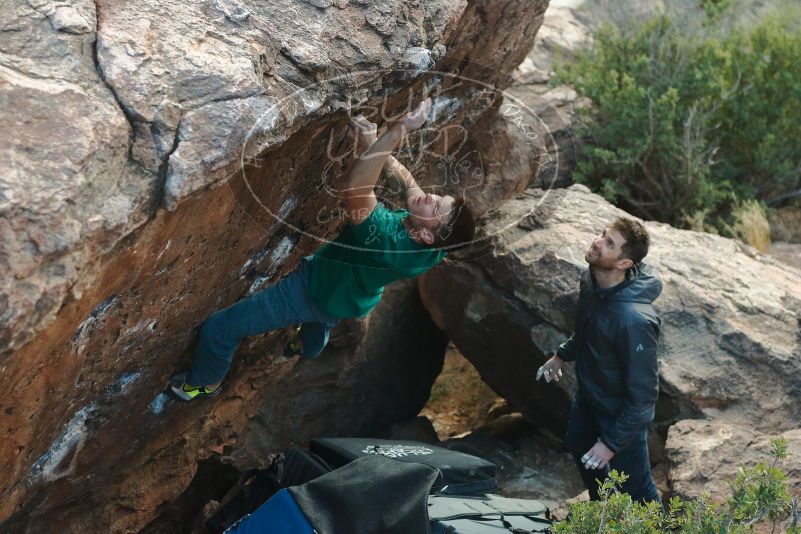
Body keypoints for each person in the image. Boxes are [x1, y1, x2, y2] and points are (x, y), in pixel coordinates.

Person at [169, 99, 476, 401]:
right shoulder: (433, 239)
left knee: (220, 329)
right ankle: (310, 343)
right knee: (321, 323)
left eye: (436, 205)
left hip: (313, 290)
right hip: (351, 295)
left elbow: (354, 190)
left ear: (423, 235)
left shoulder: (384, 242)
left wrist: (394, 132)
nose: (430, 196)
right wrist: (375, 148)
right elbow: (407, 181)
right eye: (440, 197)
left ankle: (204, 385)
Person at [536, 218, 662, 504]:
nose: (597, 242)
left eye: (609, 243)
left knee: (639, 492)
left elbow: (643, 397)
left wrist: (610, 444)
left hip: (622, 417)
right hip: (589, 399)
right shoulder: (591, 279)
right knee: (580, 447)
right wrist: (560, 356)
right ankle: (603, 514)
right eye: (603, 235)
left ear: (624, 264)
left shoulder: (633, 319)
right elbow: (588, 329)